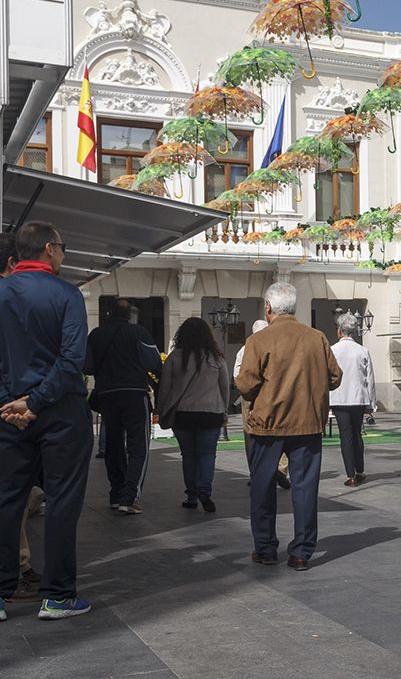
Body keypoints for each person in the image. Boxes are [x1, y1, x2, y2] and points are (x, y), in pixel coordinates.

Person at [0, 222, 92, 621]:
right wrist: (35, 402)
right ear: (50, 249)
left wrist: (11, 404)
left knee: (6, 501)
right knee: (62, 502)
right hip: (60, 413)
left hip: (9, 415)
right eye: (63, 247)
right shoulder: (66, 294)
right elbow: (72, 359)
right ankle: (57, 596)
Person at [236, 282, 342, 570]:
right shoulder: (317, 338)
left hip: (268, 425)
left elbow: (246, 385)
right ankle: (301, 552)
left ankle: (265, 548)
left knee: (262, 487)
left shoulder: (259, 340)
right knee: (305, 488)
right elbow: (335, 377)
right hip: (307, 423)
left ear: (268, 308)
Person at [85, 298, 162, 515]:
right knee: (139, 446)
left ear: (108, 313)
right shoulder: (138, 333)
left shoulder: (96, 335)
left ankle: (116, 493)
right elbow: (154, 362)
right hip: (134, 394)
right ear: (130, 316)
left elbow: (87, 366)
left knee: (113, 444)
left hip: (107, 395)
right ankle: (129, 497)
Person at [0, 234, 43, 605]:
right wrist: (16, 406)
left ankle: (19, 568)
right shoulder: (14, 302)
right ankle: (15, 572)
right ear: (13, 264)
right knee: (13, 495)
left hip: (11, 409)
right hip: (12, 412)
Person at [157, 318, 229, 512]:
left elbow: (165, 388)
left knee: (188, 456)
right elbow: (224, 387)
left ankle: (191, 495)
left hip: (183, 414)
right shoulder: (216, 358)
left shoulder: (174, 357)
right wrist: (224, 410)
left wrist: (161, 410)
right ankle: (205, 491)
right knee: (207, 454)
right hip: (211, 413)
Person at [234, 320, 289, 490]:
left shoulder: (247, 349)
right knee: (272, 430)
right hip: (261, 394)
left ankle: (268, 471)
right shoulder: (249, 349)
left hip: (261, 394)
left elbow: (237, 375)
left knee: (256, 433)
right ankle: (269, 470)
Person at [329, 313, 377, 487]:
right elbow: (369, 378)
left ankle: (351, 474)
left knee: (345, 435)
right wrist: (371, 403)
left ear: (340, 330)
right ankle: (360, 470)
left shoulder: (333, 350)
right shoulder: (362, 350)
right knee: (357, 433)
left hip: (339, 398)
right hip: (358, 397)